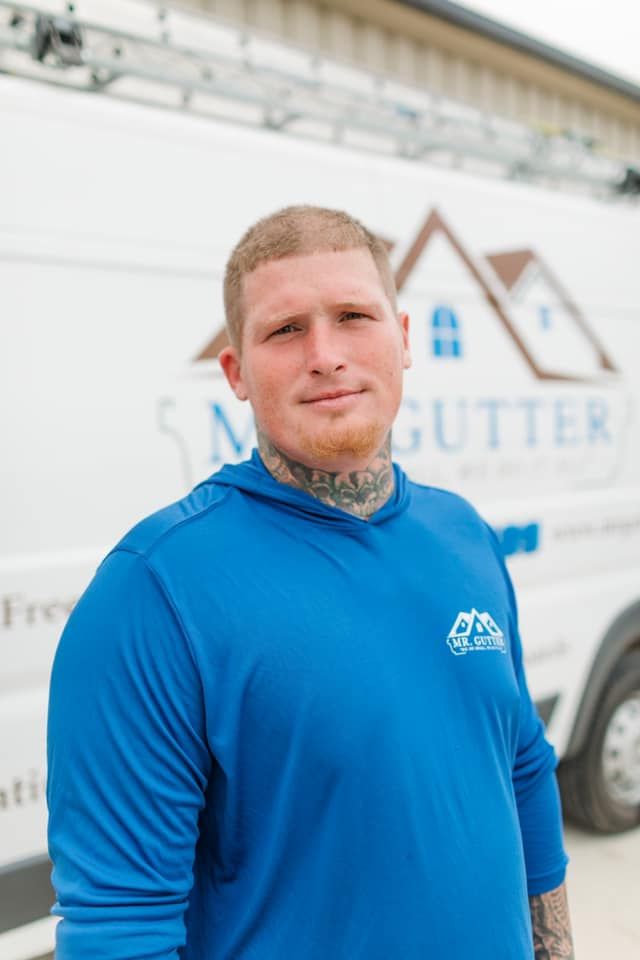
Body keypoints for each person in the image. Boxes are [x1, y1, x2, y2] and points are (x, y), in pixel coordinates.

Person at [47, 205, 573, 959]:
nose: (324, 354)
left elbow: (521, 765)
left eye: (353, 315)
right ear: (236, 371)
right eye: (285, 330)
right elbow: (119, 927)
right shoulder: (153, 593)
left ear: (403, 338)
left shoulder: (463, 535)